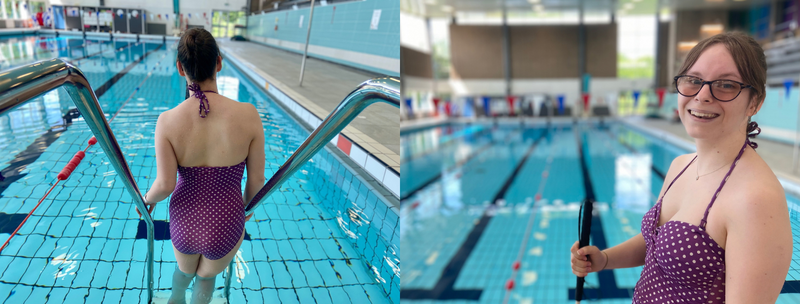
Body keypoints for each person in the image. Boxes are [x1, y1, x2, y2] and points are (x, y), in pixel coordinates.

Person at [570, 32, 792, 303]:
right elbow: (657, 244)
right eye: (693, 80)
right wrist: (604, 259)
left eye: (725, 85)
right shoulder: (680, 166)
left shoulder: (756, 200)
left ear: (755, 101)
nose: (703, 95)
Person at [142, 28, 266, 304]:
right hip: (227, 221)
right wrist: (246, 209)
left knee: (183, 275)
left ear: (179, 68)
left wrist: (146, 200)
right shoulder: (248, 115)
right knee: (207, 280)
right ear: (219, 62)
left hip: (185, 221)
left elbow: (165, 185)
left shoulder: (167, 121)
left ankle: (175, 299)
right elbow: (256, 181)